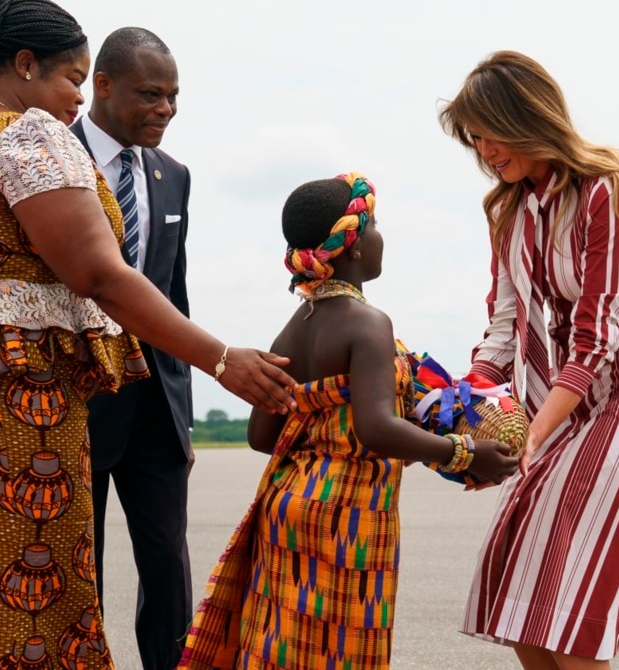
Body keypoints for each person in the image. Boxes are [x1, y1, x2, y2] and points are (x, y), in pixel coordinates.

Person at [0, 0, 296, 670]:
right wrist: (220, 358)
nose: (75, 100)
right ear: (27, 65)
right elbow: (97, 274)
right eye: (73, 78)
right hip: (10, 384)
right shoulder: (28, 133)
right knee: (35, 582)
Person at [177, 174, 519, 670]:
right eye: (374, 224)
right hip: (349, 516)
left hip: (287, 506)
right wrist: (465, 453)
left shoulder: (293, 329)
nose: (381, 236)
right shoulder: (368, 323)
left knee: (283, 648)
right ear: (353, 246)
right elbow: (376, 427)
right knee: (343, 653)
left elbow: (260, 436)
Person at [438, 51, 619, 669]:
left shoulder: (607, 188)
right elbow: (504, 327)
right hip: (560, 401)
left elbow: (597, 336)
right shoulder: (509, 211)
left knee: (569, 599)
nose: (483, 149)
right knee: (519, 583)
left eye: (488, 131)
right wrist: (459, 409)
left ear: (523, 115)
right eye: (474, 140)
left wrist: (532, 433)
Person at [69, 26, 194, 670]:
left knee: (168, 567)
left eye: (173, 97)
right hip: (76, 396)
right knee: (76, 565)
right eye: (150, 94)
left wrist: (183, 412)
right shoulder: (50, 157)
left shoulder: (174, 175)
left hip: (155, 404)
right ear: (104, 84)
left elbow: (174, 295)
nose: (165, 110)